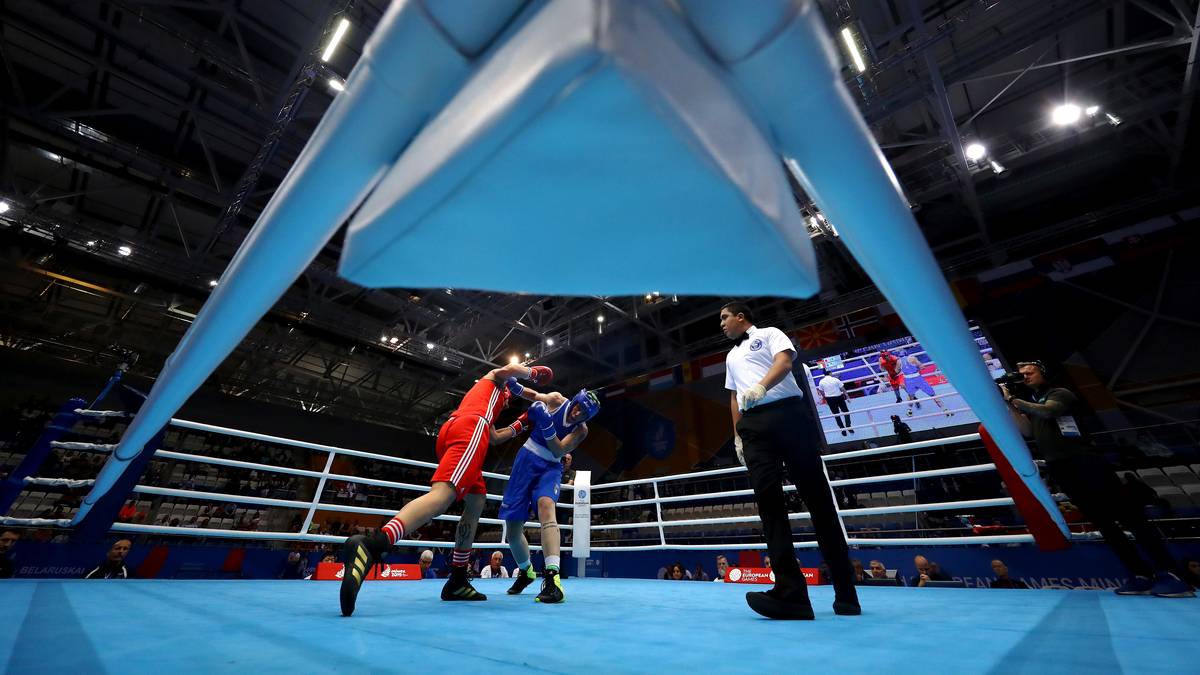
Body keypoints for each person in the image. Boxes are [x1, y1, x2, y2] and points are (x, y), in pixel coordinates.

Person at [338, 362, 553, 616]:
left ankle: (458, 579)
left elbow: (495, 437)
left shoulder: (486, 399)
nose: (508, 403)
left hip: (459, 429)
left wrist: (522, 423)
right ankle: (374, 544)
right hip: (471, 429)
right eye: (509, 397)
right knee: (442, 496)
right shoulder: (495, 381)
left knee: (476, 499)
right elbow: (507, 371)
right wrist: (533, 375)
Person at [1002, 360, 1193, 598]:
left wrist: (1014, 400)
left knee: (1130, 517)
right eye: (1021, 374)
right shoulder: (1033, 402)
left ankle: (1172, 575)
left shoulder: (1059, 393)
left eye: (1030, 372)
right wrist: (1009, 405)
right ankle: (1140, 575)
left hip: (1086, 462)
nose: (1025, 376)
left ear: (1044, 372)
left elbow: (1050, 411)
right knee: (1104, 525)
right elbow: (1028, 431)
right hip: (1062, 468)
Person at [721, 302, 859, 619]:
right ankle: (791, 594)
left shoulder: (770, 333)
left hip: (789, 416)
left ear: (741, 317)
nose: (722, 324)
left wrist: (761, 386)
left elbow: (784, 362)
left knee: (818, 501)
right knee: (769, 507)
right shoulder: (730, 357)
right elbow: (734, 397)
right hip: (753, 429)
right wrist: (737, 436)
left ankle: (846, 592)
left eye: (725, 317)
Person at [501, 384, 597, 604]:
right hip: (526, 460)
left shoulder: (581, 431)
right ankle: (526, 571)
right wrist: (514, 385)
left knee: (546, 506)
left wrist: (546, 424)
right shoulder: (556, 400)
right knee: (513, 529)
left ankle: (553, 579)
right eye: (578, 407)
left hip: (550, 467)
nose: (578, 413)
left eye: (584, 413)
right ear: (575, 400)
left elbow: (559, 449)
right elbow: (533, 395)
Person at [817, 371, 853, 437]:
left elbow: (821, 392)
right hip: (839, 397)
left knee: (836, 415)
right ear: (830, 373)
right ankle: (848, 427)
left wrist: (825, 399)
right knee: (846, 412)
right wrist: (847, 397)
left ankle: (843, 429)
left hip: (830, 399)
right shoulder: (835, 379)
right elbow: (842, 389)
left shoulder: (821, 382)